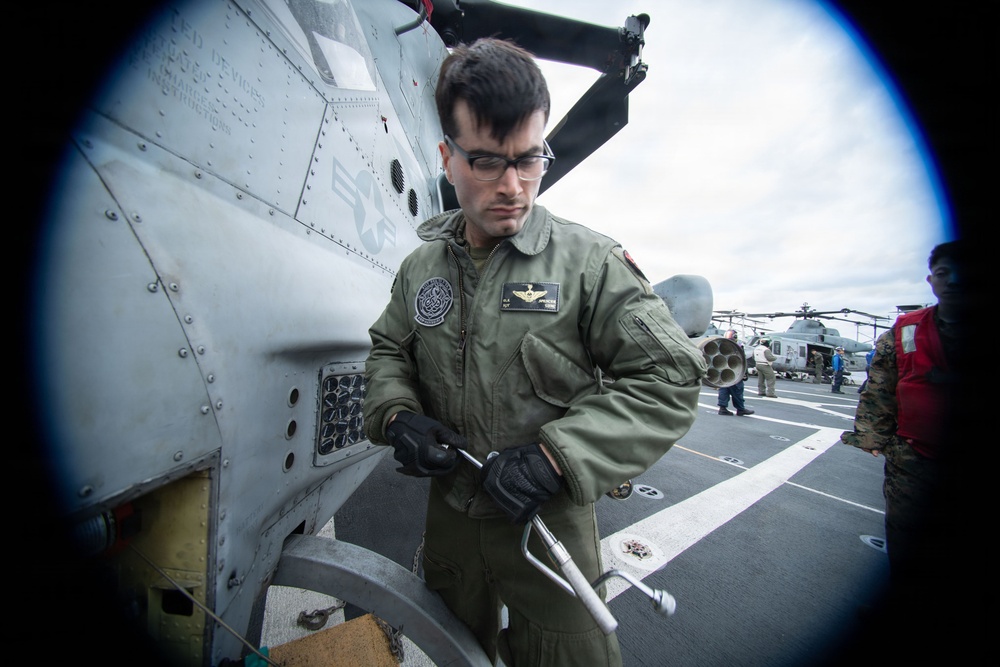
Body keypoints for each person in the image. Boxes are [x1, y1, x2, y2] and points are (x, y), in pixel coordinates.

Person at [362, 38, 708, 667]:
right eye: (486, 162)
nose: (513, 187)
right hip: (452, 517)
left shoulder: (589, 265)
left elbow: (669, 378)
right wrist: (398, 416)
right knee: (443, 650)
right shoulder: (419, 270)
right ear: (447, 158)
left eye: (529, 159)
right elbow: (390, 350)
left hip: (550, 527)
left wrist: (557, 458)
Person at [840, 240, 965, 618]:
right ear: (930, 280)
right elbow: (880, 384)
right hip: (913, 456)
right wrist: (872, 435)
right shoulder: (905, 330)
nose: (953, 281)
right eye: (943, 273)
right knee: (905, 534)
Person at [717, 330, 754, 416]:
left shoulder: (720, 345)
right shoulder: (738, 346)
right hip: (735, 371)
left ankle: (722, 408)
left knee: (724, 389)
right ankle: (740, 409)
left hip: (723, 372)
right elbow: (742, 360)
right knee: (737, 390)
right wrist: (744, 373)